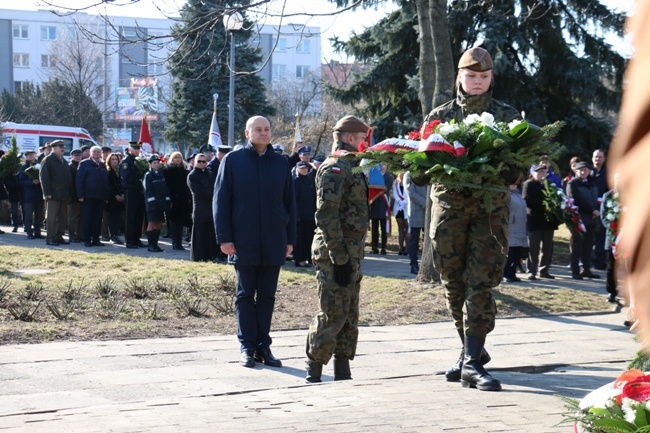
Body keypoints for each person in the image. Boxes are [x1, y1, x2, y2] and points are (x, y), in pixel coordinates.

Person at [421, 47, 521, 391]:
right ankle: (469, 355)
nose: (477, 82)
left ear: (491, 78)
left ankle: (473, 361)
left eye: (483, 76)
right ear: (459, 77)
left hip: (489, 214)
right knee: (453, 282)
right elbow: (421, 166)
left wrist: (505, 164)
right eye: (471, 75)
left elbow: (517, 167)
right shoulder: (439, 116)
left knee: (481, 282)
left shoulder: (508, 117)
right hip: (448, 212)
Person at [214, 115, 296, 368]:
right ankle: (247, 347)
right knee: (245, 295)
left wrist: (290, 239)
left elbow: (289, 204)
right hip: (243, 239)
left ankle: (264, 348)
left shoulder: (281, 163)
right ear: (247, 133)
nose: (263, 133)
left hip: (273, 239)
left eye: (267, 129)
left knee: (268, 296)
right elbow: (221, 201)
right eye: (258, 130)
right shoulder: (233, 161)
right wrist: (224, 238)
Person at [305, 115, 369, 383]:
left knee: (349, 313)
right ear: (350, 138)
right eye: (363, 139)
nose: (365, 143)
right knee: (333, 311)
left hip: (351, 250)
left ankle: (342, 368)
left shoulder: (351, 167)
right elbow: (326, 214)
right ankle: (315, 367)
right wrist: (339, 257)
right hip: (335, 252)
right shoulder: (335, 168)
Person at [522, 163, 559, 280]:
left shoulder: (549, 185)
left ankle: (544, 270)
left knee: (547, 247)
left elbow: (555, 199)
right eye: (539, 172)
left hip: (548, 222)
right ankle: (531, 270)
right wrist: (543, 206)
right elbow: (527, 201)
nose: (541, 174)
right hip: (534, 220)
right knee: (533, 247)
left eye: (544, 172)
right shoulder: (529, 184)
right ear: (533, 173)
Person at [566, 161, 601, 280]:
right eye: (580, 170)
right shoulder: (572, 183)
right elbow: (576, 200)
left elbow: (595, 199)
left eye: (585, 170)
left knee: (588, 246)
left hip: (592, 219)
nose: (583, 172)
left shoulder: (592, 183)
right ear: (576, 171)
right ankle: (575, 271)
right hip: (579, 219)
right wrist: (592, 210)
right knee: (577, 246)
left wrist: (596, 210)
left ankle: (586, 269)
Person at [39, 140, 72, 246]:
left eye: (63, 146)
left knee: (62, 218)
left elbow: (67, 178)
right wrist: (47, 192)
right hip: (53, 194)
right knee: (52, 218)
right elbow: (44, 177)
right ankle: (50, 237)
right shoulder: (48, 160)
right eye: (60, 146)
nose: (63, 148)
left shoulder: (63, 160)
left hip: (64, 194)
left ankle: (59, 236)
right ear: (53, 148)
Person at [187, 153, 218, 262]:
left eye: (204, 161)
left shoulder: (209, 173)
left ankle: (210, 255)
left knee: (210, 233)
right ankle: (198, 256)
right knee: (200, 233)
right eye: (199, 161)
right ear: (195, 162)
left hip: (211, 207)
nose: (201, 163)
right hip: (200, 208)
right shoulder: (192, 175)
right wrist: (214, 195)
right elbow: (198, 192)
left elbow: (216, 186)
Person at [76, 146, 109, 247]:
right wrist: (80, 195)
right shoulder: (84, 163)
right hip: (88, 196)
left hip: (100, 197)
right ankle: (87, 239)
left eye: (98, 152)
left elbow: (106, 183)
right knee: (87, 219)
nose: (96, 153)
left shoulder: (103, 165)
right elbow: (79, 180)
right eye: (94, 151)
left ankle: (96, 239)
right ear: (90, 153)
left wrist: (106, 196)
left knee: (97, 219)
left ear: (101, 153)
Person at [120, 141, 147, 249]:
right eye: (135, 148)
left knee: (139, 215)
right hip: (130, 191)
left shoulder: (137, 161)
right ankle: (130, 241)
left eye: (138, 148)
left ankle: (137, 238)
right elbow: (126, 177)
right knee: (130, 216)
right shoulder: (126, 161)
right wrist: (139, 178)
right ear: (130, 149)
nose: (137, 150)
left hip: (138, 191)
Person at [143, 154, 171, 253]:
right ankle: (151, 245)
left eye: (158, 162)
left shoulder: (160, 174)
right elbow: (148, 191)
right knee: (152, 223)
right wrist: (152, 203)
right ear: (150, 164)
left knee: (158, 223)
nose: (156, 164)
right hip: (152, 204)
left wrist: (167, 200)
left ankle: (155, 244)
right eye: (154, 163)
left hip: (161, 203)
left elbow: (165, 189)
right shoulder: (148, 175)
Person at [164, 151, 192, 251]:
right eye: (175, 157)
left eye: (179, 157)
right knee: (174, 221)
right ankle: (175, 242)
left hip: (182, 199)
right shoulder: (168, 170)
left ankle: (179, 242)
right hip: (173, 199)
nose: (178, 159)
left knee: (180, 221)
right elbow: (167, 185)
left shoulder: (184, 170)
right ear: (172, 159)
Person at [292, 160, 317, 268]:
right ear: (297, 169)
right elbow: (294, 200)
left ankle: (308, 258)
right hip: (300, 216)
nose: (304, 170)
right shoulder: (295, 181)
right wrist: (296, 215)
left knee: (309, 238)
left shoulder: (310, 179)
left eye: (306, 168)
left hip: (310, 214)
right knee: (300, 239)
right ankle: (299, 260)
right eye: (302, 168)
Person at [600, 174, 620, 303]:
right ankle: (612, 292)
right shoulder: (608, 195)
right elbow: (604, 217)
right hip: (612, 236)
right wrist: (613, 228)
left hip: (628, 236)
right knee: (611, 267)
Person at [503, 184, 528, 283]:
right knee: (510, 253)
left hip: (520, 227)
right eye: (511, 183)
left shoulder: (518, 194)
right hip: (510, 227)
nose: (514, 184)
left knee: (517, 253)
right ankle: (506, 274)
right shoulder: (505, 195)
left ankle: (512, 273)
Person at [404, 171, 427, 275]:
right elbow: (410, 192)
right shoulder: (409, 174)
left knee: (427, 240)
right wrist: (425, 203)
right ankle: (413, 264)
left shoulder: (427, 171)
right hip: (416, 211)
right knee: (414, 240)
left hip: (428, 212)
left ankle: (425, 264)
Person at [18, 150, 44, 239]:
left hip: (39, 194)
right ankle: (29, 232)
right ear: (26, 157)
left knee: (39, 215)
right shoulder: (23, 167)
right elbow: (21, 181)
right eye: (29, 155)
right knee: (28, 215)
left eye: (32, 154)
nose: (31, 156)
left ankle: (38, 232)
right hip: (28, 195)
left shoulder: (40, 165)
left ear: (35, 155)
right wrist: (31, 182)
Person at [369, 164, 392, 255]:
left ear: (386, 167)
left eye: (384, 165)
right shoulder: (374, 175)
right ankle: (374, 247)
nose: (383, 167)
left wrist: (378, 188)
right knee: (374, 227)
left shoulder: (388, 177)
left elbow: (387, 187)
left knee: (383, 228)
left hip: (383, 204)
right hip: (374, 203)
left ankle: (383, 247)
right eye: (381, 165)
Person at [591, 149, 608, 270]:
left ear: (604, 159)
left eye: (600, 157)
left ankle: (600, 262)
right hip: (588, 209)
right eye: (596, 157)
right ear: (592, 158)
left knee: (601, 237)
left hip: (602, 209)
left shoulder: (608, 173)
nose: (598, 159)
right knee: (587, 238)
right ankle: (587, 262)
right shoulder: (587, 172)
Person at [105, 152, 125, 244]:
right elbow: (110, 185)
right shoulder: (108, 172)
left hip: (120, 197)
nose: (114, 161)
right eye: (112, 159)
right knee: (112, 218)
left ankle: (116, 234)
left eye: (116, 159)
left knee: (118, 218)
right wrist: (116, 195)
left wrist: (122, 194)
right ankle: (112, 235)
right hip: (112, 198)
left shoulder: (120, 170)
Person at [67, 148, 83, 243]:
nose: (78, 157)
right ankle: (72, 235)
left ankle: (80, 235)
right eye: (76, 155)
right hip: (73, 196)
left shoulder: (81, 165)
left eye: (79, 155)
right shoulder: (70, 166)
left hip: (82, 195)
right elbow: (70, 183)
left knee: (81, 217)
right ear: (72, 156)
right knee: (73, 217)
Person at [391, 172, 409, 255]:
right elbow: (394, 193)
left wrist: (405, 201)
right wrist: (399, 201)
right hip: (398, 207)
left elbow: (409, 193)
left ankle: (407, 247)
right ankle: (400, 247)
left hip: (406, 206)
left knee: (407, 227)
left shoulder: (409, 180)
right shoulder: (396, 182)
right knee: (400, 227)